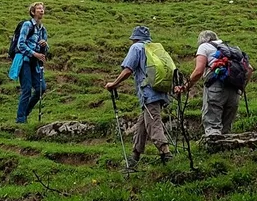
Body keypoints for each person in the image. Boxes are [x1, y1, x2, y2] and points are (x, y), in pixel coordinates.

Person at [103, 25, 171, 165]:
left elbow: (128, 70)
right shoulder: (154, 48)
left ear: (134, 38)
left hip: (148, 94)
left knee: (153, 124)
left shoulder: (136, 48)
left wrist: (114, 84)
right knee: (142, 124)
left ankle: (167, 154)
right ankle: (135, 155)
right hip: (159, 92)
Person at [178, 29, 243, 139]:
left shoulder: (204, 47)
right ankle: (226, 152)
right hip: (234, 89)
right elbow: (249, 69)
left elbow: (199, 71)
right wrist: (241, 89)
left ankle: (213, 150)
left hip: (216, 87)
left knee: (213, 125)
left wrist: (186, 87)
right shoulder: (230, 48)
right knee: (226, 128)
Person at [11, 1, 50, 124]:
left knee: (41, 88)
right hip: (25, 60)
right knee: (27, 89)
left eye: (42, 8)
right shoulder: (27, 25)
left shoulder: (43, 29)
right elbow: (20, 44)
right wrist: (34, 53)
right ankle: (21, 119)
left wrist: (45, 46)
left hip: (35, 62)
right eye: (38, 8)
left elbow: (45, 49)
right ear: (33, 12)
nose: (41, 10)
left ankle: (25, 112)